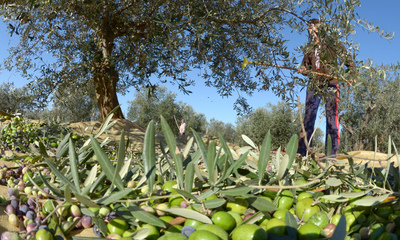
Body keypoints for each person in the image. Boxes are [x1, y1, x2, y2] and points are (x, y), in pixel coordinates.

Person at [297, 19, 357, 157]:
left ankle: (331, 154)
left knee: (332, 117)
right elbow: (305, 67)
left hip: (331, 83)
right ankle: (302, 151)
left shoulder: (332, 43)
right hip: (314, 85)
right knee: (308, 116)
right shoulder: (309, 47)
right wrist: (303, 70)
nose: (308, 30)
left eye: (310, 27)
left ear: (318, 27)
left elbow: (349, 61)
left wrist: (352, 74)